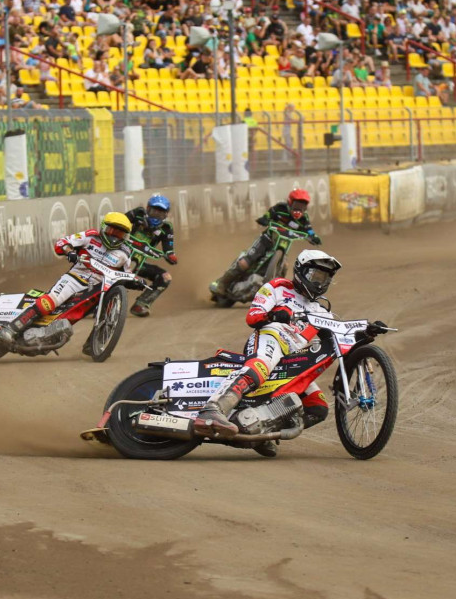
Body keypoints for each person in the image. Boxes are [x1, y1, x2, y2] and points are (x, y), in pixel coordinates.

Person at [195, 250, 343, 456]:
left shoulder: (322, 312)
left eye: (325, 278)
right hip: (269, 339)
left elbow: (340, 336)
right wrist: (274, 314)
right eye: (315, 276)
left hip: (291, 357)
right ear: (301, 271)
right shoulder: (279, 287)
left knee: (318, 407)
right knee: (259, 367)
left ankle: (261, 432)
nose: (319, 282)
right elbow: (253, 316)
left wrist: (367, 332)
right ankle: (212, 409)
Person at [0, 213, 135, 352]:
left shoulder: (125, 252)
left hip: (99, 288)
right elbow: (62, 242)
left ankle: (93, 344)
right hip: (75, 278)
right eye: (112, 231)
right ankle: (10, 329)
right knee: (49, 302)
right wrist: (69, 252)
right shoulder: (90, 236)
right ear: (104, 227)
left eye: (120, 234)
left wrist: (134, 281)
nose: (114, 236)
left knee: (107, 308)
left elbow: (127, 274)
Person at [210, 189, 321, 298]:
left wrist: (314, 237)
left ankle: (274, 292)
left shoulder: (304, 218)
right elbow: (268, 214)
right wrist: (264, 219)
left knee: (285, 266)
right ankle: (222, 284)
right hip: (266, 240)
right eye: (297, 205)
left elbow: (309, 230)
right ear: (290, 202)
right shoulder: (280, 208)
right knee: (245, 262)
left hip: (284, 245)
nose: (299, 209)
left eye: (303, 206)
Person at [125, 194, 178, 317]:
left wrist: (171, 256)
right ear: (148, 209)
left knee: (165, 277)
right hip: (118, 252)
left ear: (166, 215)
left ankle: (141, 304)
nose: (156, 216)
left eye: (160, 213)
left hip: (138, 262)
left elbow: (169, 249)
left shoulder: (166, 228)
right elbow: (119, 222)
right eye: (154, 211)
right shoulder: (137, 213)